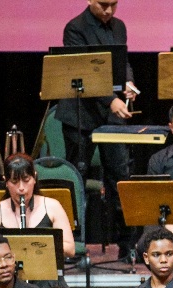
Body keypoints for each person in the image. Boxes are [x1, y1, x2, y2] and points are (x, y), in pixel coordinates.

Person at [56, 0, 136, 260]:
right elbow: (86, 73)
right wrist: (111, 101)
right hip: (81, 114)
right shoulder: (75, 28)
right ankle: (74, 245)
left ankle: (127, 245)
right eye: (104, 5)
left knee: (120, 177)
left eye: (114, 5)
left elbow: (122, 62)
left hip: (109, 117)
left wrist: (128, 82)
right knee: (76, 178)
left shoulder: (120, 26)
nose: (109, 11)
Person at [0, 153, 76, 257]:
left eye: (26, 180)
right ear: (6, 182)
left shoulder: (52, 207)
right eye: (14, 181)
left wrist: (35, 244)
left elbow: (70, 249)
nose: (21, 187)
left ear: (34, 177)